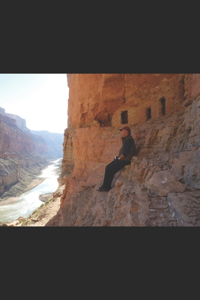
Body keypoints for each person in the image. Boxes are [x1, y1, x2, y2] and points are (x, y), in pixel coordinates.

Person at [97, 126, 136, 192]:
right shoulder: (127, 139)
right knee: (109, 168)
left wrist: (118, 159)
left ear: (126, 132)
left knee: (109, 168)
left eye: (122, 131)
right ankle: (106, 186)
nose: (121, 132)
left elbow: (125, 153)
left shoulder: (128, 140)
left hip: (125, 161)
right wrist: (117, 158)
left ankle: (105, 187)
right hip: (123, 160)